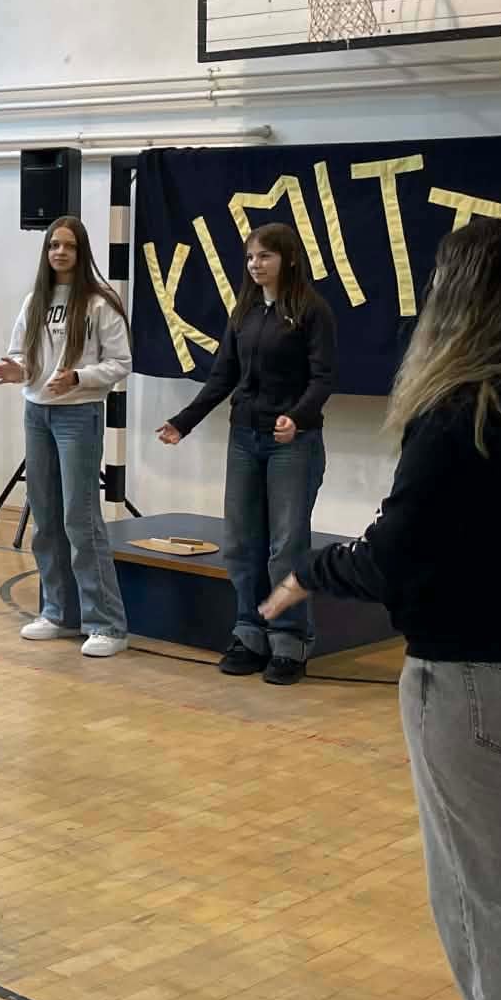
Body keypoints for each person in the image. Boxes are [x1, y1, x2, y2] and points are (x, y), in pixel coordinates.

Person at [262, 217, 501, 1000]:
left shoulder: (462, 411)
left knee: (491, 904)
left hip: (489, 689)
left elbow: (396, 557)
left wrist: (311, 572)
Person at [156, 221, 336, 685]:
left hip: (292, 443)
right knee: (241, 543)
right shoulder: (245, 312)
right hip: (245, 438)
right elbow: (223, 376)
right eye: (251, 257)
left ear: (288, 258)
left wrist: (297, 416)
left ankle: (290, 641)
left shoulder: (312, 311)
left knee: (285, 546)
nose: (256, 265)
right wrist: (183, 421)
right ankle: (249, 633)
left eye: (265, 256)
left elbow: (323, 378)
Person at [0, 215, 132, 657]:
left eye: (68, 245)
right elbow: (22, 353)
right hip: (37, 414)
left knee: (80, 519)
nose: (60, 252)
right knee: (46, 518)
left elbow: (121, 362)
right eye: (53, 245)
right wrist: (19, 370)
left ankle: (107, 624)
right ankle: (57, 611)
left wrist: (79, 377)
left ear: (81, 251)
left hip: (78, 416)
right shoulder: (36, 301)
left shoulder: (100, 303)